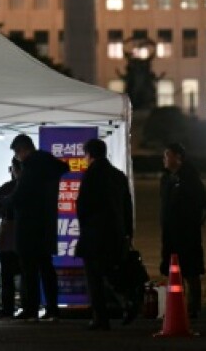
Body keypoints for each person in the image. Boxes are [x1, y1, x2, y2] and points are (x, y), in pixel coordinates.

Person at [76, 137, 134, 330]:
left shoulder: (91, 175)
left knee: (94, 277)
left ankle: (101, 318)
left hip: (94, 235)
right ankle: (127, 301)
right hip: (116, 234)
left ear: (90, 155)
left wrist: (85, 228)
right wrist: (127, 233)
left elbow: (82, 206)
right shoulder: (118, 175)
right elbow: (127, 207)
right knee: (111, 272)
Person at [9, 133, 68, 322]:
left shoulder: (31, 166)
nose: (18, 158)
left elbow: (21, 196)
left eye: (18, 154)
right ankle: (52, 310)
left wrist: (6, 201)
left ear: (23, 150)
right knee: (46, 268)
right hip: (46, 224)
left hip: (29, 226)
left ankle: (31, 310)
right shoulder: (50, 165)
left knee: (29, 271)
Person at [159, 142, 206, 320]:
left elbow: (204, 204)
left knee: (191, 270)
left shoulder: (190, 179)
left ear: (178, 158)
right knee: (173, 271)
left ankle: (193, 308)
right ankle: (176, 305)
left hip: (187, 234)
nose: (164, 159)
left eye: (168, 155)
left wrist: (193, 224)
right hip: (170, 234)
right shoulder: (166, 178)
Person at [0, 158, 21, 319]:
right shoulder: (37, 186)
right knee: (30, 275)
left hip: (9, 236)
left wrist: (7, 211)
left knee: (7, 275)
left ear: (14, 168)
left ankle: (7, 309)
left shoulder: (7, 188)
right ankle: (30, 309)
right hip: (31, 236)